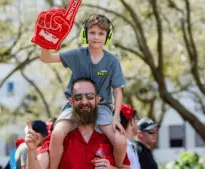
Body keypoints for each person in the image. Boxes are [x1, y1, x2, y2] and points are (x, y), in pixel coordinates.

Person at [39, 14, 127, 169]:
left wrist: (116, 117)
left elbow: (117, 91)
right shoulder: (77, 55)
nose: (96, 37)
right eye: (92, 32)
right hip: (75, 105)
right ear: (85, 34)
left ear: (108, 36)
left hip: (102, 107)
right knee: (58, 133)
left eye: (101, 33)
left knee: (120, 140)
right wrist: (46, 41)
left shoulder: (112, 61)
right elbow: (46, 58)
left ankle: (119, 166)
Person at [26, 77, 130, 169]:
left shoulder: (111, 137)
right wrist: (31, 150)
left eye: (89, 96)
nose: (84, 102)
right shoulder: (58, 139)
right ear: (71, 102)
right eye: (78, 97)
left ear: (97, 100)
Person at [119, 104, 141, 169]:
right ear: (131, 121)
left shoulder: (129, 145)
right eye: (136, 119)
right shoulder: (123, 146)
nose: (137, 122)